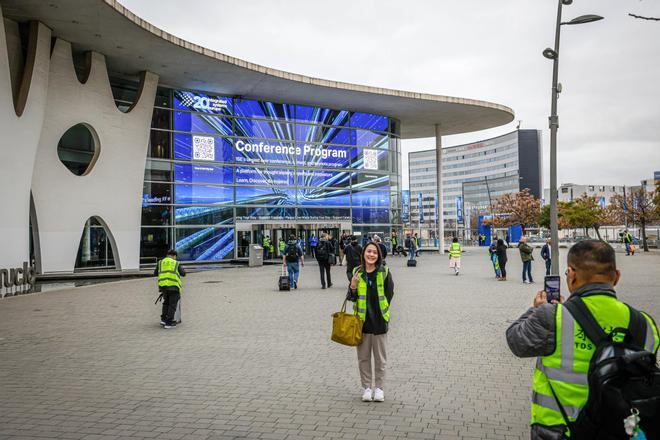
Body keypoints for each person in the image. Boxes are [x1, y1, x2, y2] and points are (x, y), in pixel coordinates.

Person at [505, 240, 659, 440]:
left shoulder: (553, 316)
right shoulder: (645, 324)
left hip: (559, 430)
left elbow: (516, 341)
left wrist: (537, 309)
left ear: (571, 273)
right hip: (621, 430)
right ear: (617, 276)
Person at [347, 241, 394, 403]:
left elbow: (389, 294)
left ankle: (379, 388)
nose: (371, 255)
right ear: (364, 253)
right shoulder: (357, 271)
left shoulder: (384, 271)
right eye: (369, 252)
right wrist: (352, 287)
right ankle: (367, 388)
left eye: (374, 252)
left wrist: (383, 311)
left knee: (381, 359)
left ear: (378, 255)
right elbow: (351, 297)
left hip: (380, 322)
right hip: (362, 322)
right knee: (363, 358)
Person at [154, 249, 186, 329]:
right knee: (172, 305)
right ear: (174, 256)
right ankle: (169, 322)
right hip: (174, 286)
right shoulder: (176, 263)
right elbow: (183, 273)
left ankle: (163, 319)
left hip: (163, 287)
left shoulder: (160, 262)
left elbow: (155, 273)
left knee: (166, 303)